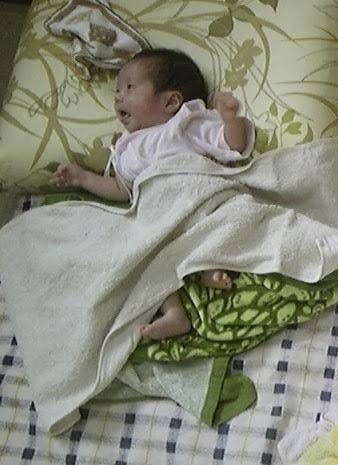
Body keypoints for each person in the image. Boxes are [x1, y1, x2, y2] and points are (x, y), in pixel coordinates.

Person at [51, 48, 255, 340]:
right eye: (117, 90)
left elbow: (232, 145)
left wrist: (230, 119)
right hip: (156, 216)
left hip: (193, 198)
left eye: (129, 87)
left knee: (213, 220)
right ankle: (173, 311)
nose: (118, 97)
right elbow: (122, 189)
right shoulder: (128, 148)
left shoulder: (185, 125)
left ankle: (208, 264)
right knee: (140, 255)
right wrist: (82, 178)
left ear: (171, 101)